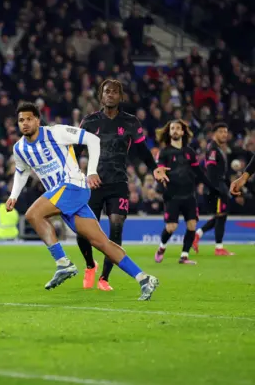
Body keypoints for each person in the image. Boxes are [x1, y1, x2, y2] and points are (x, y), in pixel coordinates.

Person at [6, 102, 159, 301]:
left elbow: (93, 140)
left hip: (72, 185)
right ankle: (144, 278)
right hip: (62, 195)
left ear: (37, 119)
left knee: (33, 214)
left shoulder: (56, 132)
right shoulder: (19, 149)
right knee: (101, 242)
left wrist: (92, 170)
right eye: (21, 120)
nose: (25, 123)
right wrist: (13, 195)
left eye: (28, 119)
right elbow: (21, 171)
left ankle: (63, 263)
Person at [77, 79, 169, 291]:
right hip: (92, 184)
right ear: (101, 95)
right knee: (84, 233)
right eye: (106, 91)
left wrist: (154, 167)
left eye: (114, 92)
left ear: (121, 96)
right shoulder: (89, 121)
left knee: (116, 227)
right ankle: (90, 265)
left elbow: (142, 150)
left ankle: (104, 278)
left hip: (118, 183)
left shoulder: (130, 122)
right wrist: (78, 175)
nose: (110, 94)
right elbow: (74, 151)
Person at [153, 120, 223, 264]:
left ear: (183, 132)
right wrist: (160, 175)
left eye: (178, 128)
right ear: (169, 132)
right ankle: (161, 247)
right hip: (172, 195)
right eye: (172, 128)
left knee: (192, 225)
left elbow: (199, 173)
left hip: (189, 194)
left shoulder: (189, 152)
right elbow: (159, 169)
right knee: (171, 227)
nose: (175, 131)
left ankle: (184, 256)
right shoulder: (164, 152)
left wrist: (212, 188)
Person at [194, 123, 234, 256]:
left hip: (220, 186)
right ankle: (218, 248)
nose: (224, 134)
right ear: (214, 133)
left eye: (226, 132)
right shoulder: (213, 149)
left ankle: (198, 234)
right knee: (221, 215)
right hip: (216, 188)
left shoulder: (218, 149)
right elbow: (210, 171)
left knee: (221, 216)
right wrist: (215, 189)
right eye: (221, 132)